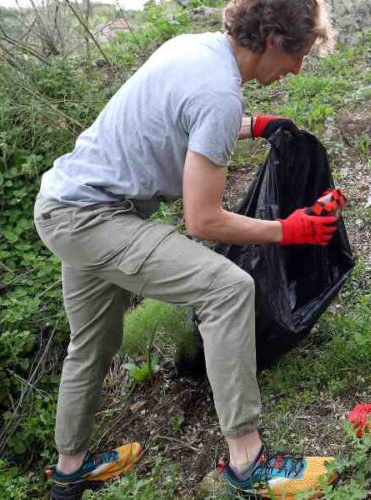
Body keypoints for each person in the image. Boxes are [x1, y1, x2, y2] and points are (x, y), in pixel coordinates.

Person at [32, 0, 339, 498]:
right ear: (272, 40)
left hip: (64, 203)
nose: (298, 67)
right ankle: (248, 463)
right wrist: (290, 229)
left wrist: (256, 125)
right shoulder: (218, 92)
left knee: (91, 343)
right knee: (227, 288)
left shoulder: (194, 49)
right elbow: (203, 221)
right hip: (94, 218)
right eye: (298, 53)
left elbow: (187, 122)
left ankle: (70, 470)